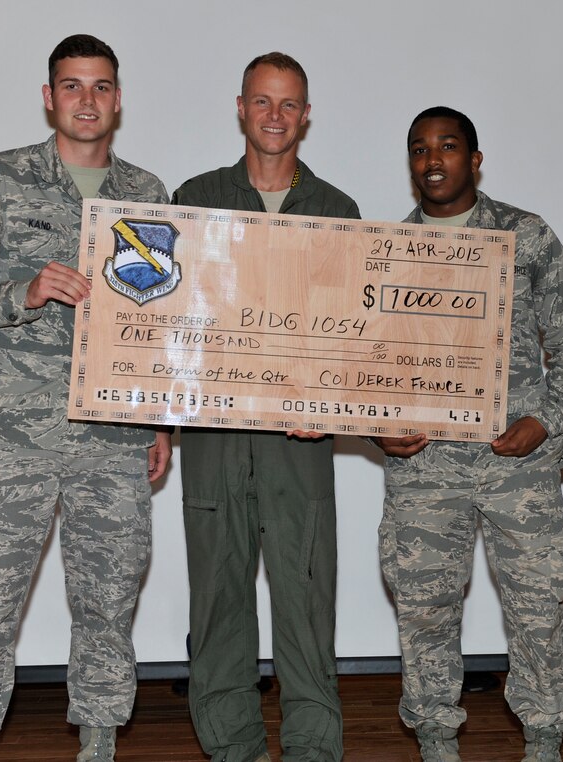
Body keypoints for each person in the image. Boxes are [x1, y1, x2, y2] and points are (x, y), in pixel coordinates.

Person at [0, 35, 171, 762]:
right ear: (48, 97)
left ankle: (99, 747)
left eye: (100, 87)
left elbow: (162, 323)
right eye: (72, 86)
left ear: (118, 100)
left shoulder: (148, 195)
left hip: (113, 437)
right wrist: (21, 292)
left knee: (108, 607)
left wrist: (161, 421)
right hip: (11, 438)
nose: (86, 100)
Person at [374, 106, 563, 762]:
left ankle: (544, 739)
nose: (433, 160)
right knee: (425, 610)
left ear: (474, 160)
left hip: (515, 462)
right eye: (420, 149)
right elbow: (362, 358)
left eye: (447, 146)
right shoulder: (388, 250)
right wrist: (376, 428)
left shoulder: (524, 236)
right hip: (425, 468)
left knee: (537, 608)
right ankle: (436, 740)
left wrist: (546, 420)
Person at [171, 52, 360, 762]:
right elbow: (166, 324)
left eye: (288, 104)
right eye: (262, 101)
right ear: (241, 108)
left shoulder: (337, 211)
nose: (274, 116)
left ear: (305, 116)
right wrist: (159, 419)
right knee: (218, 599)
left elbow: (352, 338)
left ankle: (313, 749)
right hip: (214, 435)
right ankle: (233, 748)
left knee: (306, 600)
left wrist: (334, 406)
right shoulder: (195, 198)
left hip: (299, 441)